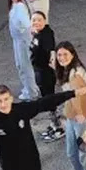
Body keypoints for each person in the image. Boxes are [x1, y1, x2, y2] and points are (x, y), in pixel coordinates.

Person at [54, 42, 86, 170]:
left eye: (65, 54)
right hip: (71, 116)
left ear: (72, 54)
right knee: (72, 153)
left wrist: (80, 114)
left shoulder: (76, 72)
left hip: (80, 117)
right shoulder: (65, 69)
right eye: (59, 55)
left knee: (84, 154)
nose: (62, 58)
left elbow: (81, 95)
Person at [30, 11, 63, 142]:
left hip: (45, 73)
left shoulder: (47, 34)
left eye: (39, 20)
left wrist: (54, 65)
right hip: (39, 71)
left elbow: (51, 52)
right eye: (34, 20)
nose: (36, 22)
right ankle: (54, 123)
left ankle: (58, 127)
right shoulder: (37, 34)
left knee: (49, 100)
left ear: (45, 21)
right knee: (47, 99)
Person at [7, 0, 40, 101]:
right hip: (17, 40)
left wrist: (30, 29)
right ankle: (29, 88)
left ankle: (31, 93)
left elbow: (26, 22)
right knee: (21, 65)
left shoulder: (20, 6)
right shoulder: (15, 5)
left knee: (25, 67)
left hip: (22, 40)